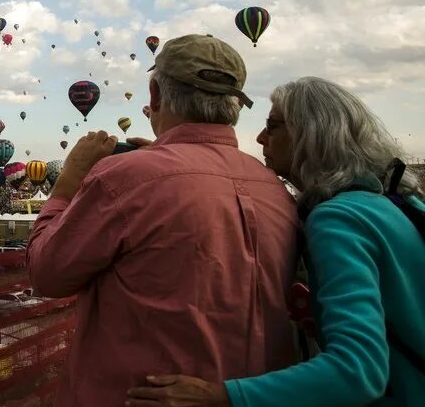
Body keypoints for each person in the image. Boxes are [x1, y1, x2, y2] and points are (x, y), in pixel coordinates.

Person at [27, 34, 300, 406]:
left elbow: (46, 272)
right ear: (236, 103)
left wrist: (67, 184)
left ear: (155, 95)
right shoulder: (273, 186)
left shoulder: (124, 178)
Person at [126, 77, 425, 407]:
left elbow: (357, 370)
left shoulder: (337, 219)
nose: (260, 137)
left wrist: (221, 395)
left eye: (273, 126)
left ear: (313, 135)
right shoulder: (396, 201)